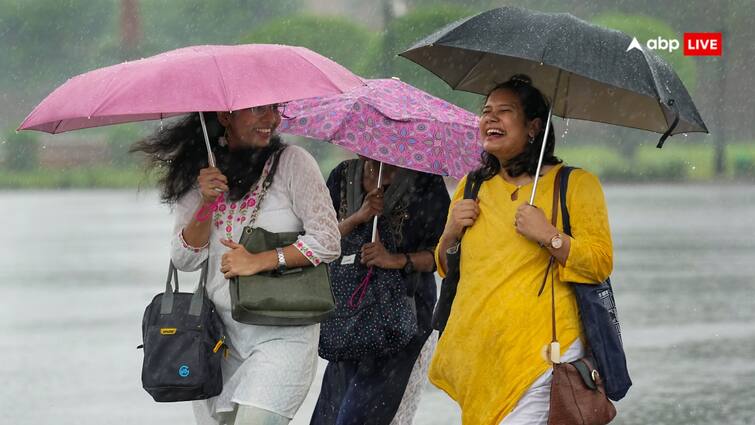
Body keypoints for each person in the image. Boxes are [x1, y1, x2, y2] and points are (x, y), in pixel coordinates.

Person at [132, 105, 341, 425]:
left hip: (284, 335)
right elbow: (184, 259)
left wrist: (260, 260)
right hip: (217, 342)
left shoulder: (294, 163)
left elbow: (327, 241)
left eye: (275, 109)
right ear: (226, 116)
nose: (271, 119)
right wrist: (205, 203)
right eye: (259, 110)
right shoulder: (202, 174)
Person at [431, 74, 614, 425]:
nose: (490, 119)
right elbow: (446, 266)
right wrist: (451, 232)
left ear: (533, 128)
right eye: (486, 111)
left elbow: (599, 263)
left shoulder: (575, 185)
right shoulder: (472, 185)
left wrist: (549, 235)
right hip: (480, 360)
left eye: (504, 111)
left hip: (541, 355)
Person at [310, 158, 450, 425]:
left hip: (402, 320)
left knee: (362, 415)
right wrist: (357, 218)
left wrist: (395, 260)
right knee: (330, 411)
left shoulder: (425, 182)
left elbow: (442, 256)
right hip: (347, 313)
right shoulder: (343, 175)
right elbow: (318, 239)